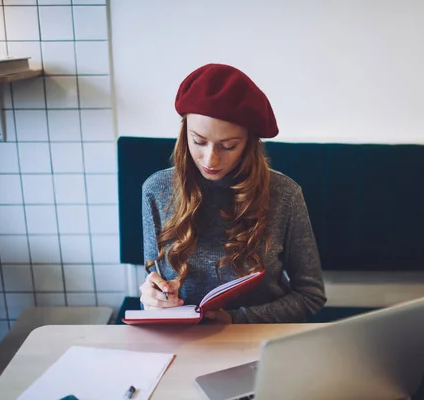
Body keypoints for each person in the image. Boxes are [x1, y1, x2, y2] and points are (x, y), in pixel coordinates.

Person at [139, 63, 326, 323]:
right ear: (184, 134)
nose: (211, 159)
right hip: (183, 337)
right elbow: (155, 278)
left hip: (258, 339)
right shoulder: (156, 190)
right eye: (198, 141)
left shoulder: (285, 195)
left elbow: (311, 296)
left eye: (228, 146)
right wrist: (153, 297)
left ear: (249, 144)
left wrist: (234, 319)